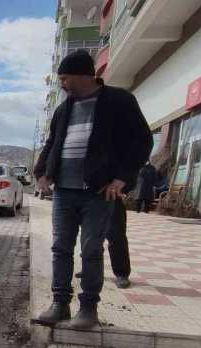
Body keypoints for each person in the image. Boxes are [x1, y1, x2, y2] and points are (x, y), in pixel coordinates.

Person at [34, 50, 152, 329]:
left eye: (64, 78)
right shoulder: (64, 109)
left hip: (99, 192)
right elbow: (52, 143)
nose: (62, 84)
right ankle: (60, 304)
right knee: (61, 247)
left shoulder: (119, 101)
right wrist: (41, 173)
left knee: (90, 249)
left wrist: (122, 179)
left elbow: (142, 142)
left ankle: (88, 310)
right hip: (64, 190)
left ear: (82, 75)